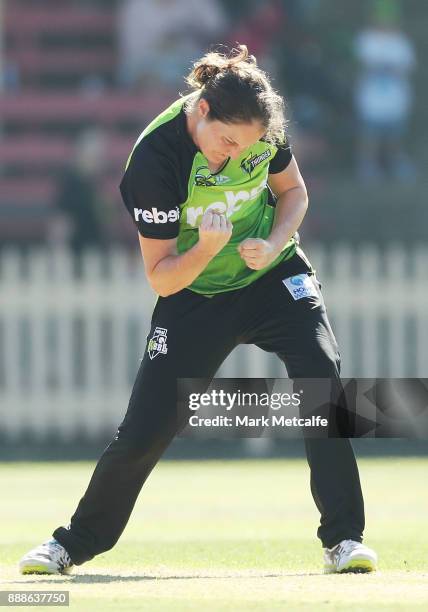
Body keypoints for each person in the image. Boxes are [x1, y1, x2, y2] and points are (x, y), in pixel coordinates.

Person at [19, 45, 377, 575]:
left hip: (274, 277)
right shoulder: (154, 160)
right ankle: (72, 543)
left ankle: (344, 540)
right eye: (226, 142)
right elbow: (161, 275)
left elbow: (294, 191)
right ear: (201, 110)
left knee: (321, 383)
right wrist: (207, 249)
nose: (233, 157)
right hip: (194, 291)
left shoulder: (261, 133)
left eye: (246, 147)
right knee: (146, 428)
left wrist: (278, 240)